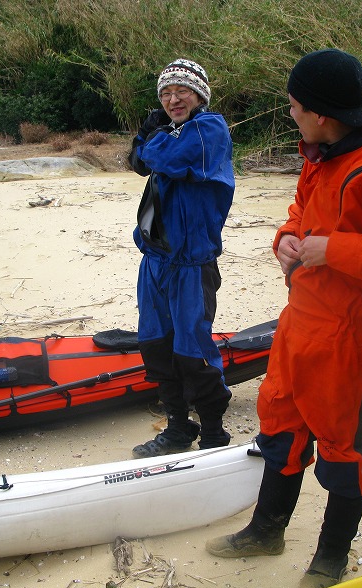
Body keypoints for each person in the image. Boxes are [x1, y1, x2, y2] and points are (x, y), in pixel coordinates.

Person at [205, 49, 362, 588]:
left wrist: (331, 249)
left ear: (320, 113)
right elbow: (302, 214)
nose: (290, 114)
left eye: (294, 106)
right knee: (280, 427)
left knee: (345, 448)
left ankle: (330, 559)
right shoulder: (321, 154)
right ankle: (266, 532)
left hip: (351, 337)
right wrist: (287, 240)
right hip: (300, 325)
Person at [128, 59, 235, 458]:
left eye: (182, 91)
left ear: (200, 95)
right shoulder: (174, 132)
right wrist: (150, 139)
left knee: (193, 349)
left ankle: (214, 434)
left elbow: (164, 159)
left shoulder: (209, 129)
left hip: (191, 264)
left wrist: (150, 138)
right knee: (156, 344)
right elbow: (138, 162)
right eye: (166, 93)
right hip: (155, 260)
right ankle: (177, 427)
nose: (173, 100)